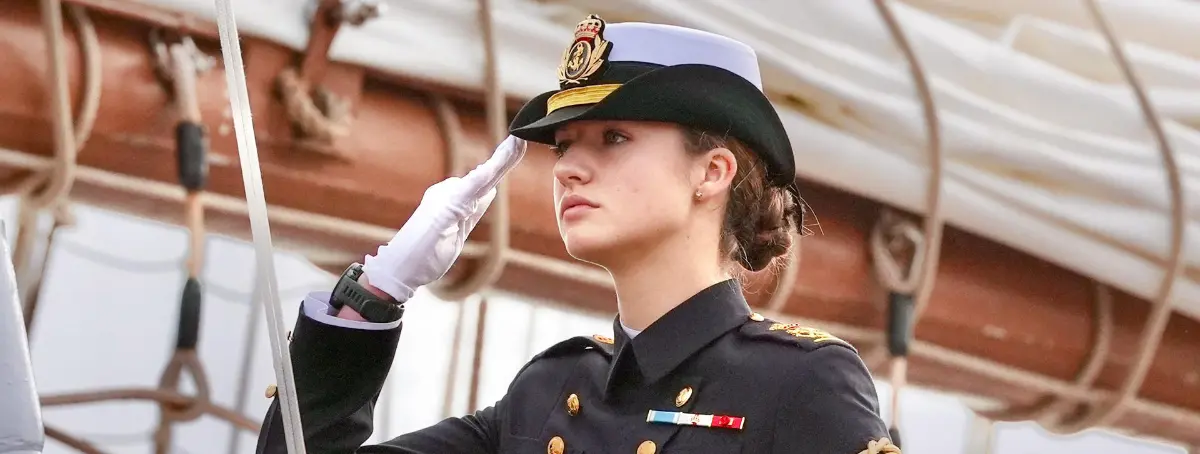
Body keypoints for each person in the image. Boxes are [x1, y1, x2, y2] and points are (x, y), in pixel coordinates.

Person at [256, 14, 899, 454]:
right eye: (564, 146)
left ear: (712, 171)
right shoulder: (547, 394)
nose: (567, 167)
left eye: (614, 138)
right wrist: (376, 290)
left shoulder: (801, 385)